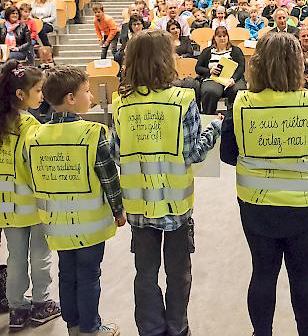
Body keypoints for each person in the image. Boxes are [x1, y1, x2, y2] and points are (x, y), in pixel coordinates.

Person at [220, 32, 308, 336]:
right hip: (306, 207)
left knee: (262, 272)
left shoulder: (240, 104)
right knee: (302, 273)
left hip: (257, 205)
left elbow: (227, 155)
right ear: (297, 65)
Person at [111, 30, 222, 336]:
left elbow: (118, 152)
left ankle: (149, 329)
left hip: (138, 205)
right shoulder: (183, 99)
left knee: (144, 273)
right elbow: (194, 153)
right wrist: (215, 131)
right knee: (178, 273)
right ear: (164, 60)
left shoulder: (121, 103)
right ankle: (177, 327)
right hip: (176, 206)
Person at [25, 66, 125, 336]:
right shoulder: (95, 132)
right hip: (90, 226)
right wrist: (119, 211)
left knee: (66, 273)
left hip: (56, 225)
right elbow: (109, 179)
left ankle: (74, 325)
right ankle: (92, 328)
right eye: (87, 92)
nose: (91, 97)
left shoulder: (34, 136)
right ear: (71, 98)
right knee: (89, 275)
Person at [0, 62, 60, 331]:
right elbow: (38, 166)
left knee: (15, 257)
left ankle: (16, 308)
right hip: (34, 206)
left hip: (6, 205)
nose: (42, 95)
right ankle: (40, 303)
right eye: (38, 90)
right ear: (21, 95)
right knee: (40, 256)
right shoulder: (29, 125)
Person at [195, 26, 247, 114]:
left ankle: (234, 117)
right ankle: (208, 116)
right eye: (219, 36)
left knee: (238, 90)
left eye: (224, 36)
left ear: (228, 37)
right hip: (213, 79)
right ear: (215, 38)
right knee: (210, 91)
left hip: (232, 79)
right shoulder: (207, 51)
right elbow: (198, 68)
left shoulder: (236, 50)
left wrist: (233, 79)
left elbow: (241, 67)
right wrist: (209, 71)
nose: (222, 38)